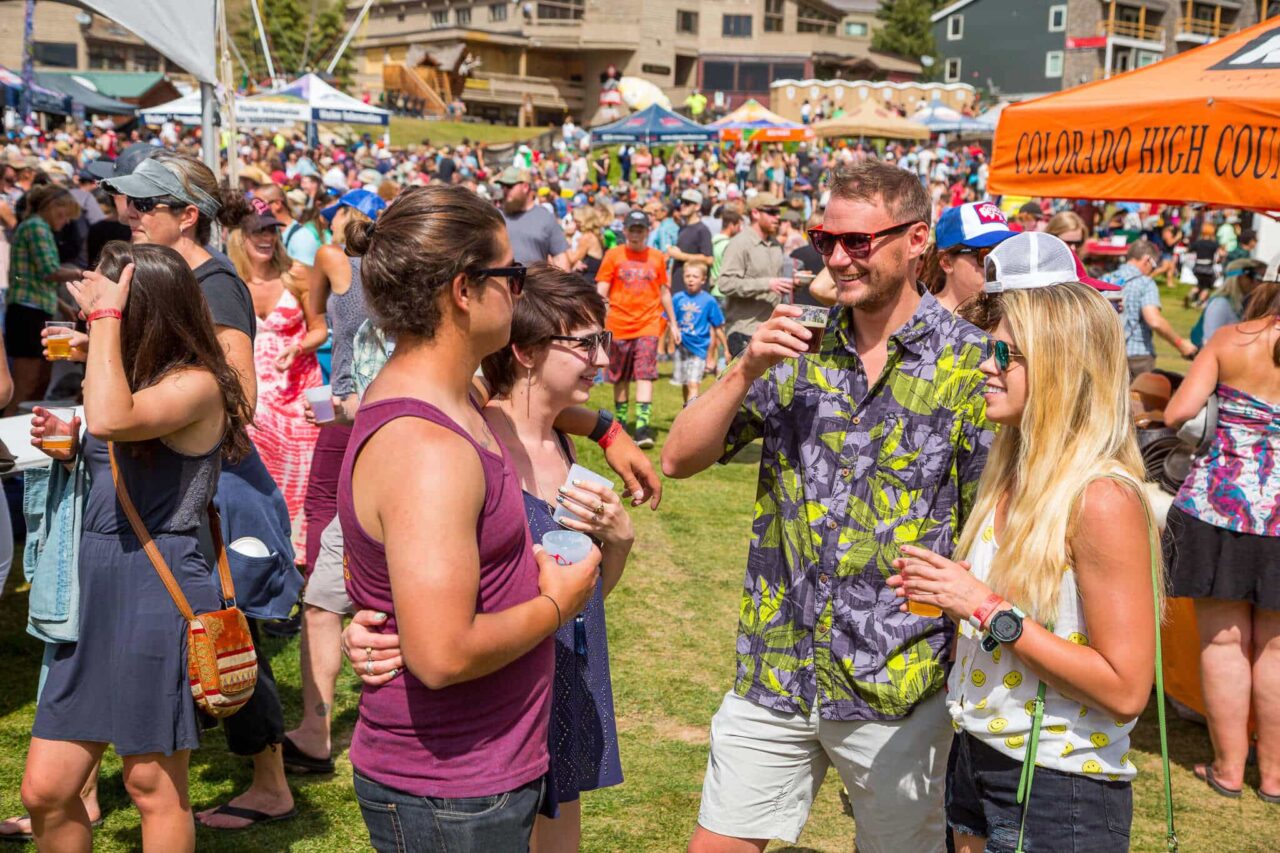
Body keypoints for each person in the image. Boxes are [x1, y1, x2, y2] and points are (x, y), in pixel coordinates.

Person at [662, 159, 991, 853]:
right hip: (777, 668)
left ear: (918, 240)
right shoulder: (796, 346)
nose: (837, 258)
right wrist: (745, 367)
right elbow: (678, 458)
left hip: (897, 683)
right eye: (826, 239)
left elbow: (986, 529)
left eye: (858, 241)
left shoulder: (969, 363)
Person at [338, 185, 601, 851]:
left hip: (477, 771)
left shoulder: (449, 395)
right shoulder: (429, 448)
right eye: (510, 274)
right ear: (464, 289)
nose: (520, 289)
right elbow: (442, 653)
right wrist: (555, 604)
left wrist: (613, 428)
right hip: (451, 786)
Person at [899, 231, 1161, 852]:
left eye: (1006, 355)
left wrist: (982, 607)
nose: (986, 365)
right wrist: (949, 591)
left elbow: (1126, 688)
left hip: (1057, 784)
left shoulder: (1101, 498)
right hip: (980, 752)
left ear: (1059, 367)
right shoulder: (1013, 472)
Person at [22, 241, 254, 853]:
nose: (92, 303)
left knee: (152, 782)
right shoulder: (135, 371)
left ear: (141, 305)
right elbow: (108, 438)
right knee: (45, 790)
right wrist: (67, 446)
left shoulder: (199, 383)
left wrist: (101, 325)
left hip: (158, 583)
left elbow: (113, 420)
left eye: (107, 295)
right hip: (97, 576)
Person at [479, 264, 629, 851]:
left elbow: (585, 596)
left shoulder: (562, 443)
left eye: (603, 340)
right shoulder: (479, 439)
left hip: (568, 667)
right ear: (524, 351)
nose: (601, 358)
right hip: (504, 685)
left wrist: (618, 543)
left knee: (561, 838)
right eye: (585, 342)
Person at [1162, 280, 1280, 804]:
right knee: (1277, 651)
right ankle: (1275, 778)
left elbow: (1175, 415)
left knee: (1225, 643)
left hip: (1218, 505)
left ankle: (1229, 769)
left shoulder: (1230, 340)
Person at [284, 188, 387, 775]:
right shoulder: (404, 281)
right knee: (326, 596)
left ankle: (325, 728)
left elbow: (317, 306)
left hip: (361, 424)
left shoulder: (335, 258)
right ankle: (318, 730)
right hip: (355, 417)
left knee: (337, 582)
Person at [228, 198, 326, 550]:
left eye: (272, 229)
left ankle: (300, 555)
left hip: (299, 386)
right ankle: (262, 548)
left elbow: (320, 329)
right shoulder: (230, 279)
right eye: (259, 230)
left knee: (308, 466)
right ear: (240, 236)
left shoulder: (297, 274)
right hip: (254, 392)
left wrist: (299, 347)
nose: (268, 236)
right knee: (255, 460)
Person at [4, 185, 83, 415]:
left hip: (32, 309)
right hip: (28, 313)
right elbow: (49, 271)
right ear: (52, 206)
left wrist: (62, 305)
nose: (67, 220)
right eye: (64, 213)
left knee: (38, 384)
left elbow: (35, 278)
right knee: (25, 386)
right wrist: (81, 273)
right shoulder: (37, 227)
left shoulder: (35, 226)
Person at [1108, 239, 1197, 378]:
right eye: (1154, 265)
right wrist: (1180, 344)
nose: (1152, 270)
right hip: (1137, 355)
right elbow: (1154, 320)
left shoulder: (1104, 279)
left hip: (1106, 354)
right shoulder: (1145, 283)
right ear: (1146, 259)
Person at [717, 193, 787, 357]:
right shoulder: (739, 243)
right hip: (744, 330)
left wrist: (791, 284)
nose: (777, 217)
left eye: (779, 212)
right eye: (771, 212)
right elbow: (725, 283)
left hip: (770, 328)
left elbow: (774, 282)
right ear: (755, 213)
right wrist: (767, 284)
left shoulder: (775, 244)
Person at [924, 200, 1017, 314]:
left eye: (1003, 252)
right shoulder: (920, 323)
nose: (997, 266)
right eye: (985, 255)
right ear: (946, 262)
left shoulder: (1009, 315)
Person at [671, 261, 725, 405]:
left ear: (703, 279)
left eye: (695, 276)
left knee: (693, 384)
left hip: (700, 348)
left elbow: (718, 326)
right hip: (682, 347)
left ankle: (690, 415)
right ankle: (686, 410)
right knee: (684, 383)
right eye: (687, 275)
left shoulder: (709, 301)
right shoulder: (677, 298)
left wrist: (725, 349)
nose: (690, 279)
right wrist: (670, 340)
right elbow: (671, 321)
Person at [497, 167, 570, 270]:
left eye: (509, 186)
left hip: (535, 284)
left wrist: (564, 285)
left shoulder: (545, 217)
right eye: (502, 186)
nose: (504, 190)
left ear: (525, 187)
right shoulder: (497, 217)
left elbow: (560, 259)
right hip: (503, 285)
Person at [252, 183, 321, 267]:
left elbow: (306, 276)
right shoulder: (275, 232)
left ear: (277, 204)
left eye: (260, 204)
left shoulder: (301, 237)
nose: (255, 208)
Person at [1200, 257, 1267, 343]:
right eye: (1259, 278)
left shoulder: (1246, 303)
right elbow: (1209, 341)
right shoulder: (1220, 304)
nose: (1263, 284)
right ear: (1241, 277)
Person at [668, 189, 714, 297]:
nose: (683, 206)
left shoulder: (702, 230)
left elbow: (709, 259)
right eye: (682, 202)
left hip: (694, 291)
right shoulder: (683, 228)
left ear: (697, 207)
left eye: (687, 203)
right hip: (678, 286)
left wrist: (681, 256)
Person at [1188, 221, 1224, 308]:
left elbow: (1189, 250)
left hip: (1197, 268)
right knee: (1207, 287)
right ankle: (1199, 302)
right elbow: (1222, 253)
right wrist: (1220, 259)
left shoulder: (1198, 242)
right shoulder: (1214, 244)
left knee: (1200, 284)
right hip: (1208, 268)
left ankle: (1190, 295)